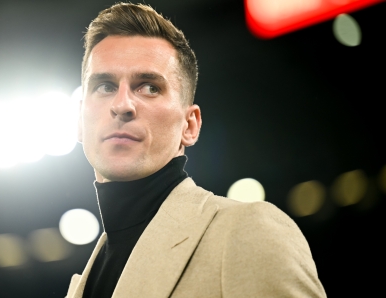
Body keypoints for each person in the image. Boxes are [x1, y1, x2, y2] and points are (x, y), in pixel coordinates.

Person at [66, 3, 326, 298]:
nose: (122, 104)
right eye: (104, 86)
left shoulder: (248, 232)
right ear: (79, 122)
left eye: (149, 87)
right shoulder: (86, 278)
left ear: (190, 125)